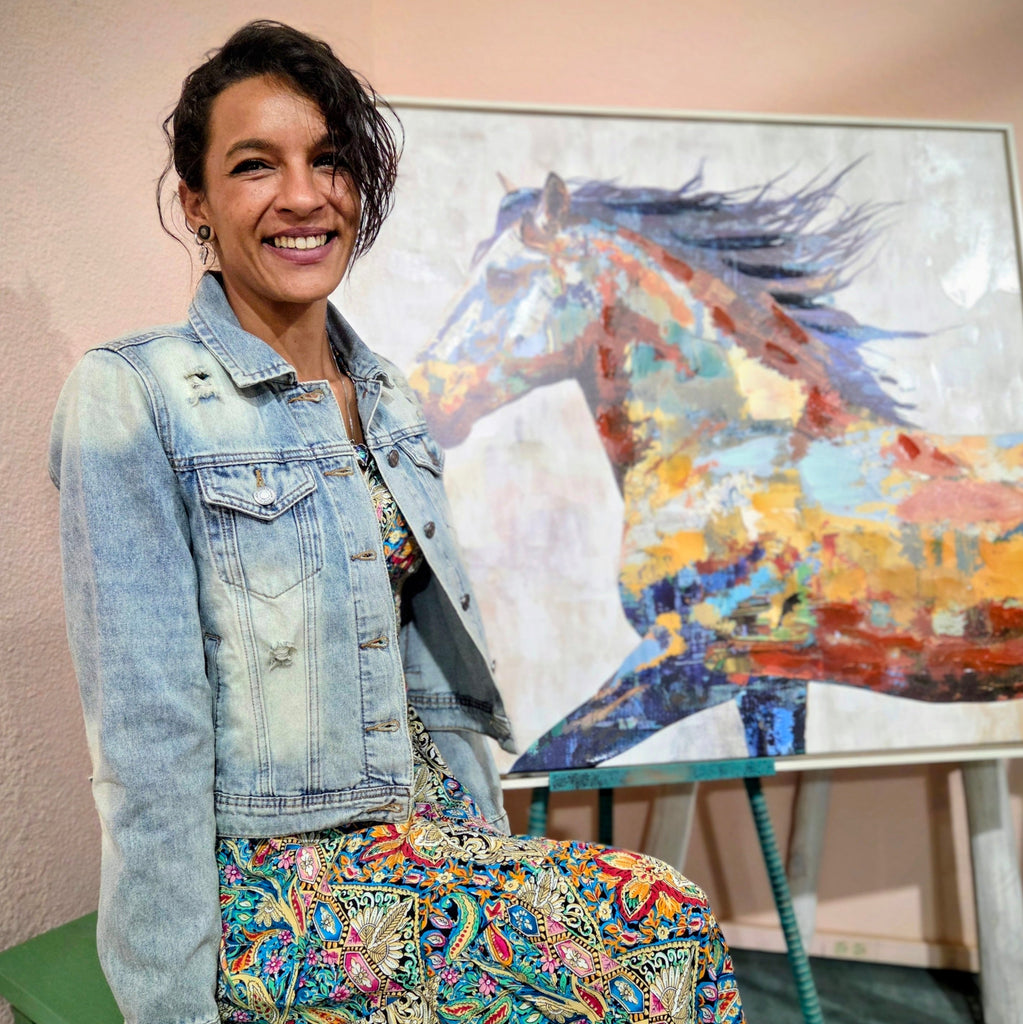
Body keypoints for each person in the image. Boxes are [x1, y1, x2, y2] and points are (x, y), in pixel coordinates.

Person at [50, 20, 744, 1024]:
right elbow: (146, 738)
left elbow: (430, 677)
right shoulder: (134, 393)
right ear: (197, 203)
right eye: (255, 166)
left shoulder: (389, 394)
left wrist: (492, 857)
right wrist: (171, 1006)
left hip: (429, 835)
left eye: (329, 161)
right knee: (660, 926)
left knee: (657, 924)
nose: (302, 195)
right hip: (285, 880)